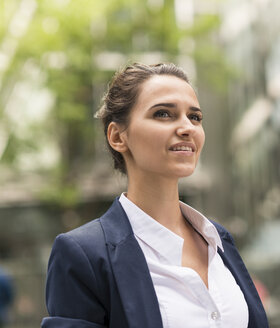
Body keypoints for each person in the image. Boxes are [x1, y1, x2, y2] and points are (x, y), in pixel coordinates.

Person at [41, 62, 268, 328]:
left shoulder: (219, 240)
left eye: (195, 117)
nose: (187, 128)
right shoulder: (84, 255)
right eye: (163, 114)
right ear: (117, 137)